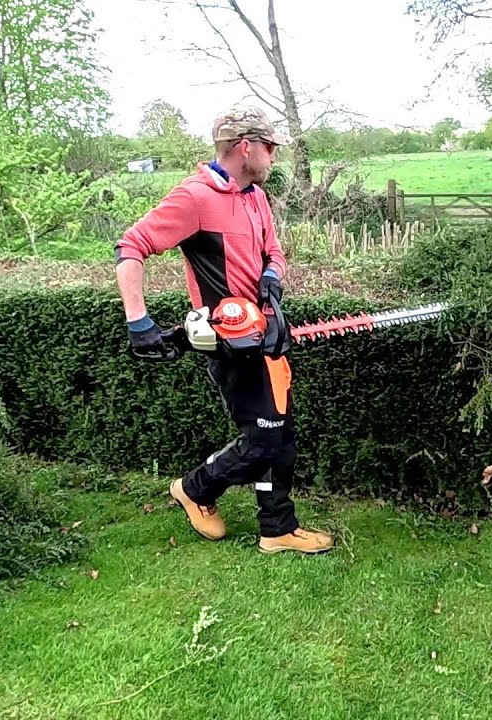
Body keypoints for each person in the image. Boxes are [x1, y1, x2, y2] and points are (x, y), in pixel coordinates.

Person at [113, 104, 334, 555]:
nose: (274, 156)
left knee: (280, 433)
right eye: (270, 147)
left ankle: (277, 528)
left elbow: (274, 250)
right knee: (266, 435)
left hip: (267, 332)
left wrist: (271, 279)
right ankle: (195, 489)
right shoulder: (195, 197)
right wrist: (139, 322)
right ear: (245, 147)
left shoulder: (255, 195)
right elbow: (131, 246)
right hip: (229, 342)